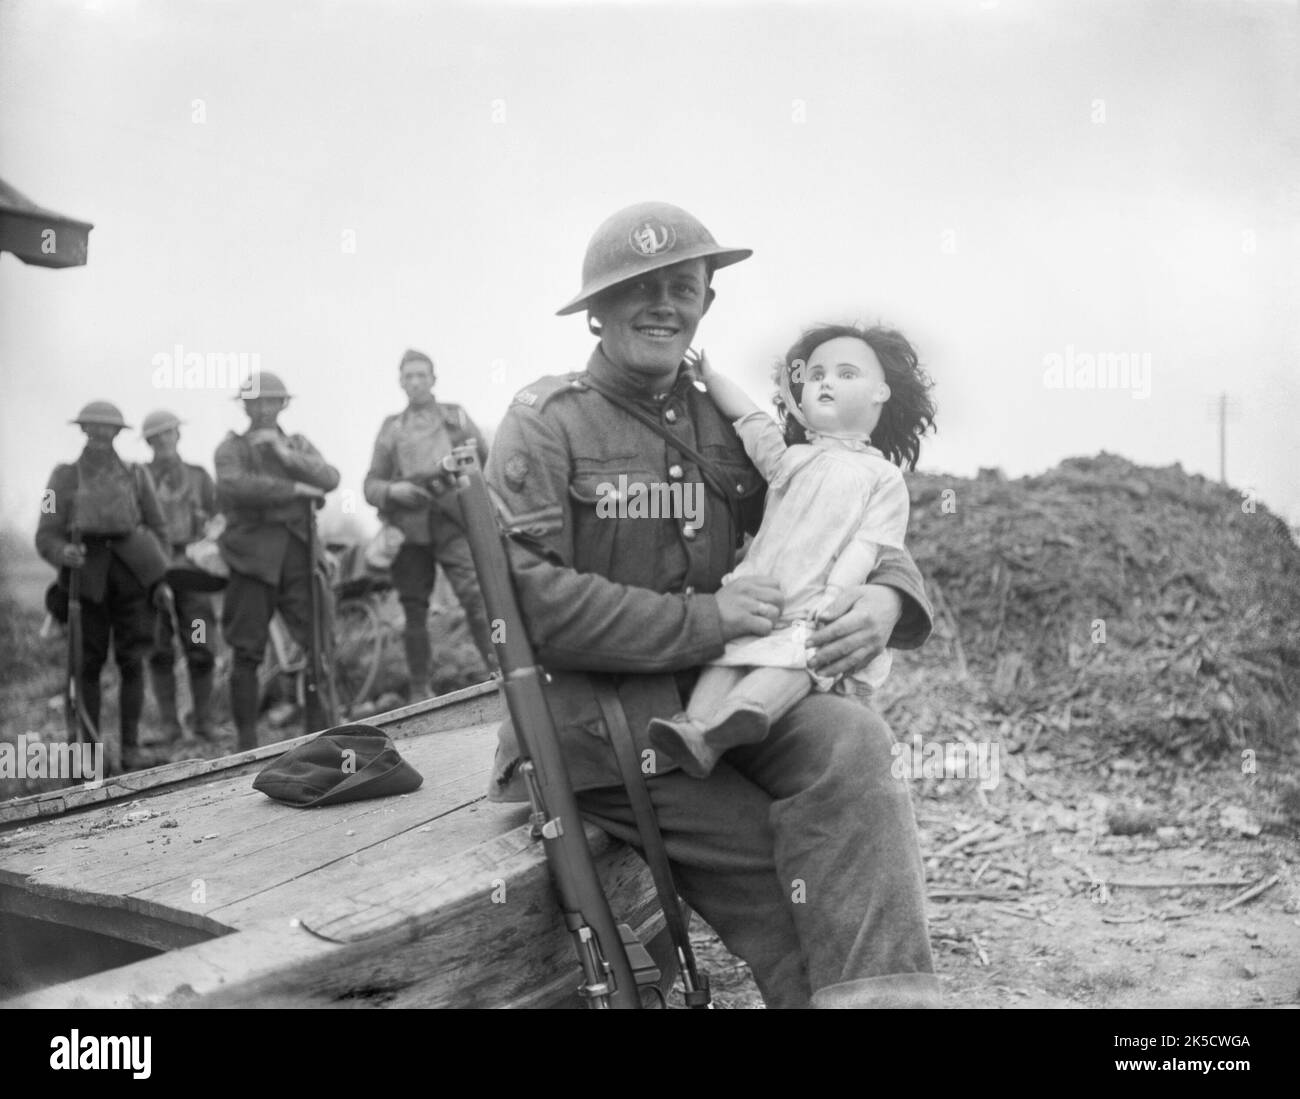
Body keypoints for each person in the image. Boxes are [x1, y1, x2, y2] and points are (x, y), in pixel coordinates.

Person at [483, 201, 940, 1007]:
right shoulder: (544, 423)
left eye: (682, 286)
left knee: (854, 741)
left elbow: (831, 509)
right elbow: (532, 610)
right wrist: (708, 621)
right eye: (639, 288)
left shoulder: (725, 428)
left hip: (725, 687)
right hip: (601, 730)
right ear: (596, 311)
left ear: (706, 303)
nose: (663, 303)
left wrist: (887, 597)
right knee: (791, 886)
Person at [648, 328, 935, 778]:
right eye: (816, 373)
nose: (825, 382)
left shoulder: (883, 478)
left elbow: (870, 545)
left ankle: (739, 718)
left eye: (846, 373)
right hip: (758, 591)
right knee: (732, 652)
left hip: (816, 599)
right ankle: (695, 731)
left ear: (881, 392)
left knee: (803, 655)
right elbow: (749, 419)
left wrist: (837, 595)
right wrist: (710, 376)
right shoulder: (791, 459)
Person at [35, 401, 172, 771]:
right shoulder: (61, 477)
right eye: (92, 428)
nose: (99, 435)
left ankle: (131, 749)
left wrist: (159, 575)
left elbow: (159, 528)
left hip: (133, 579)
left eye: (106, 429)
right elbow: (45, 532)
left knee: (133, 662)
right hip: (85, 584)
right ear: (83, 430)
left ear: (117, 432)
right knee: (87, 667)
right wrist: (63, 552)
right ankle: (88, 757)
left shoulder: (135, 474)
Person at [214, 372, 340, 749]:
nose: (265, 409)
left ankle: (325, 733)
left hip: (299, 555)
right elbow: (235, 485)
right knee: (247, 649)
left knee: (319, 645)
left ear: (283, 405)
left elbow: (330, 477)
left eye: (273, 401)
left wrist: (285, 456)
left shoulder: (297, 444)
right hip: (251, 558)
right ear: (247, 406)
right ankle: (247, 743)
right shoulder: (232, 448)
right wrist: (294, 489)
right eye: (257, 402)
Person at [364, 348, 497, 700]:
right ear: (400, 382)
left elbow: (484, 462)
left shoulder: (455, 417)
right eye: (408, 376)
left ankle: (499, 671)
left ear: (434, 379)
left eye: (422, 375)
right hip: (410, 529)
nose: (415, 382)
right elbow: (371, 484)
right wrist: (395, 489)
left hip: (453, 520)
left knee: (478, 596)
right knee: (413, 608)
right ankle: (420, 689)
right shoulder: (391, 428)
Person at [141, 409, 219, 743]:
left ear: (178, 435)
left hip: (192, 572)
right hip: (152, 570)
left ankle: (201, 722)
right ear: (148, 441)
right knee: (159, 647)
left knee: (200, 643)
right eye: (156, 437)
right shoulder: (138, 477)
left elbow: (219, 518)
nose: (163, 441)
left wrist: (208, 547)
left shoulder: (200, 477)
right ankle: (169, 725)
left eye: (168, 433)